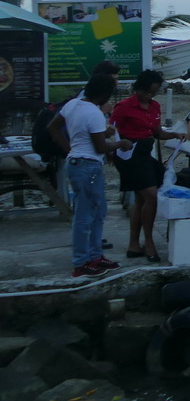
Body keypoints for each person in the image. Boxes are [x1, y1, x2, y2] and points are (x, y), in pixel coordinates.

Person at [49, 74, 129, 277]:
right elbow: (101, 147)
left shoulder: (72, 104)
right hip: (88, 166)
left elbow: (53, 127)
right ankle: (81, 262)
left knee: (98, 212)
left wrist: (69, 150)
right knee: (85, 216)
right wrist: (120, 143)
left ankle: (95, 256)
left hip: (77, 162)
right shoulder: (94, 113)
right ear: (103, 94)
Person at [110, 70, 183, 262]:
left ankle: (134, 244)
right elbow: (111, 130)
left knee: (141, 200)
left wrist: (176, 134)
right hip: (128, 155)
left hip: (145, 153)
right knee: (151, 195)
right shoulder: (124, 106)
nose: (151, 95)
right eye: (149, 91)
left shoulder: (155, 106)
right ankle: (149, 241)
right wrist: (113, 148)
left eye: (155, 92)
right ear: (139, 89)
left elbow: (158, 133)